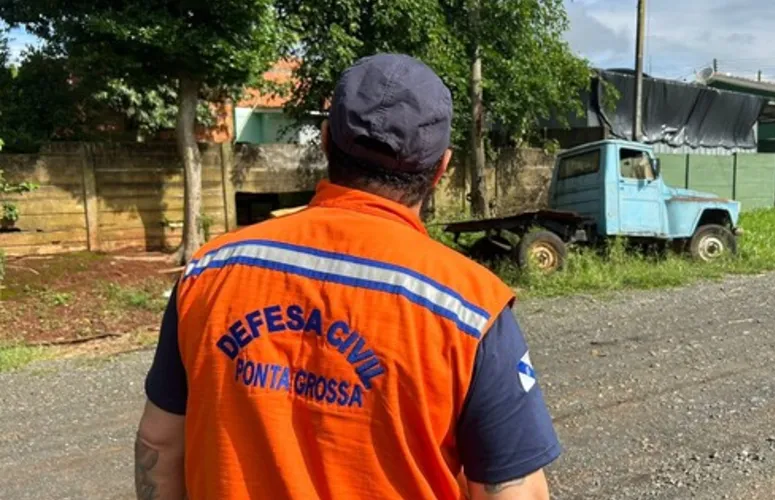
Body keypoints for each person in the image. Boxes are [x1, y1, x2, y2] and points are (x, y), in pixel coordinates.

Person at [134, 53, 561, 500]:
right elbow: (513, 491)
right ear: (441, 168)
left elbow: (159, 444)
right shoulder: (469, 308)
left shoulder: (209, 271)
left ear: (324, 141)